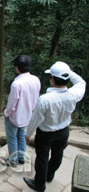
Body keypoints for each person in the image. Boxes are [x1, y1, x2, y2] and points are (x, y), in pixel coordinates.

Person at [23, 61, 86, 192]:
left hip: (45, 133)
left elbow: (35, 120)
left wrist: (27, 135)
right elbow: (81, 82)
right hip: (63, 131)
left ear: (52, 78)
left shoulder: (45, 99)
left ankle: (39, 185)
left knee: (42, 159)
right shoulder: (73, 94)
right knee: (58, 154)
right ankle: (50, 175)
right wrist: (67, 73)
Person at [0, 55, 41, 167]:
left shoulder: (16, 84)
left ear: (17, 67)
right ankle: (21, 157)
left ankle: (12, 161)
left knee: (12, 138)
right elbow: (36, 98)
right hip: (27, 115)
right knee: (21, 136)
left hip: (14, 117)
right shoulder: (36, 80)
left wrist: (6, 113)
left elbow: (12, 104)